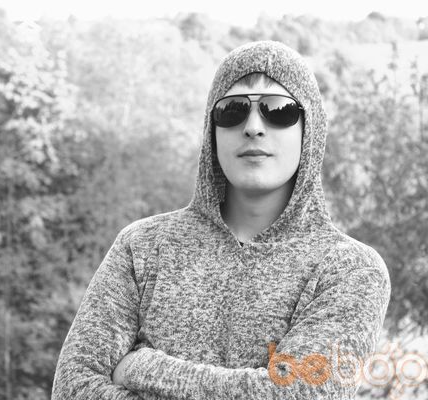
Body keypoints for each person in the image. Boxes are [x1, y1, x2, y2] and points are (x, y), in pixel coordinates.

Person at [51, 40, 391, 399]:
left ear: (311, 130)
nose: (253, 126)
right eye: (233, 110)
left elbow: (297, 394)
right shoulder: (143, 247)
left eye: (279, 110)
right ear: (211, 131)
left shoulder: (350, 269)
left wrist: (145, 368)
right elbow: (73, 388)